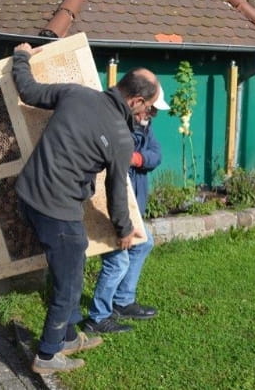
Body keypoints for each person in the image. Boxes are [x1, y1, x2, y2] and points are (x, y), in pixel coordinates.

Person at [12, 42, 160, 374]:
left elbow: (29, 90)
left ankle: (66, 337)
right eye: (148, 107)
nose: (147, 114)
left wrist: (21, 57)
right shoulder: (121, 138)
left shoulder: (77, 94)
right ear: (136, 101)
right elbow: (116, 192)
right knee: (69, 285)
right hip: (57, 209)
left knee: (71, 264)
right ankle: (47, 356)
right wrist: (124, 230)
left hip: (27, 194)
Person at [84, 87, 168, 333]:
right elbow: (114, 178)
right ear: (138, 103)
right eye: (151, 109)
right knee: (117, 261)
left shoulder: (144, 127)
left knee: (144, 243)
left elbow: (156, 155)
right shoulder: (117, 126)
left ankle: (122, 301)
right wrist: (128, 157)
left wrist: (138, 159)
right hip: (110, 206)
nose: (152, 114)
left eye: (155, 111)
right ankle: (98, 317)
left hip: (130, 207)